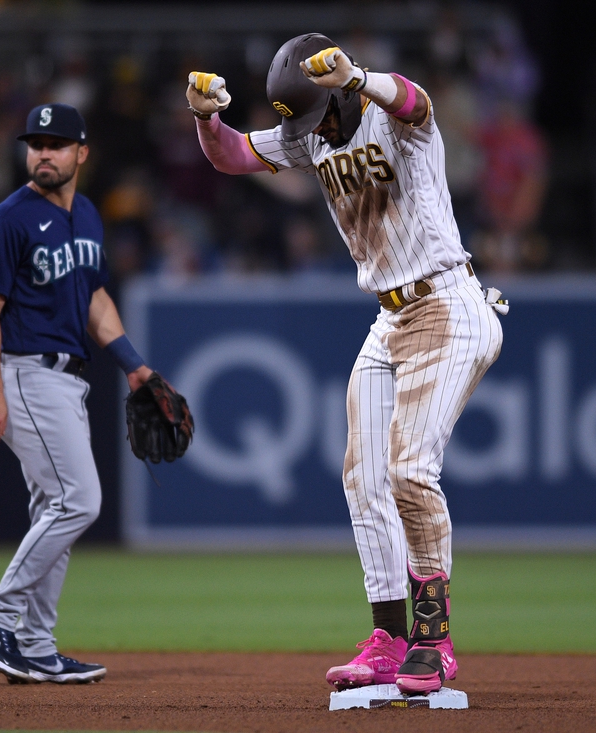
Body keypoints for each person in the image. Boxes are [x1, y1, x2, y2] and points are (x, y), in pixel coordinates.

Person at [186, 34, 505, 695]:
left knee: (410, 469)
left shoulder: (390, 117)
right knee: (363, 479)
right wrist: (204, 117)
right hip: (389, 317)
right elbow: (233, 155)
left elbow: (417, 100)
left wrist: (360, 76)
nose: (307, 132)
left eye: (312, 113)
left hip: (445, 302)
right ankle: (389, 637)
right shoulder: (310, 134)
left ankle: (433, 638)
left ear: (337, 90)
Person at [0, 103, 154, 684]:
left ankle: (36, 645)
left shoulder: (88, 214)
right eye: (36, 143)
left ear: (81, 153)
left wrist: (135, 367)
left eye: (57, 143)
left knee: (56, 509)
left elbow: (93, 299)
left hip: (69, 379)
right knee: (80, 501)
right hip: (25, 372)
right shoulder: (7, 220)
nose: (45, 152)